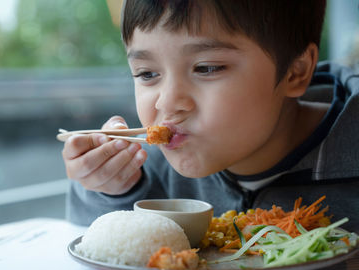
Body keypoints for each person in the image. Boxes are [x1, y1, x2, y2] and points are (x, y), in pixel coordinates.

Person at [62, 0, 359, 231]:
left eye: (206, 68)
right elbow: (89, 230)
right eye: (147, 73)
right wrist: (112, 186)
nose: (168, 103)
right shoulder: (149, 168)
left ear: (296, 71)